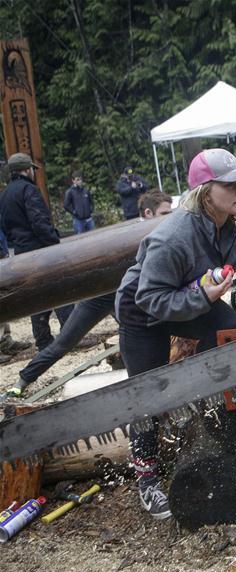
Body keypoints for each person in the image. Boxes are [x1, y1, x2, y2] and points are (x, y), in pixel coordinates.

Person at [115, 149, 236, 519]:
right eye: (231, 185)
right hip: (144, 313)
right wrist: (200, 296)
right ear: (207, 192)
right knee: (146, 396)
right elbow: (150, 297)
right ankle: (147, 480)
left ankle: (219, 415)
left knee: (231, 334)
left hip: (192, 296)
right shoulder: (172, 238)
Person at [5, 190, 175, 398]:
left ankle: (138, 384)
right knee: (65, 342)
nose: (169, 217)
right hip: (103, 295)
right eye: (165, 213)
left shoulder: (161, 232)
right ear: (148, 213)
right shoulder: (135, 234)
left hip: (127, 298)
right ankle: (21, 381)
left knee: (136, 335)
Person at [0, 152, 74, 351]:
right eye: (32, 168)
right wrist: (53, 244)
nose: (33, 171)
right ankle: (71, 335)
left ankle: (43, 340)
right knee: (60, 290)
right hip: (40, 249)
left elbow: (6, 227)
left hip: (22, 251)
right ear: (27, 169)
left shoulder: (5, 194)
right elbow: (39, 222)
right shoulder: (29, 190)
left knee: (36, 295)